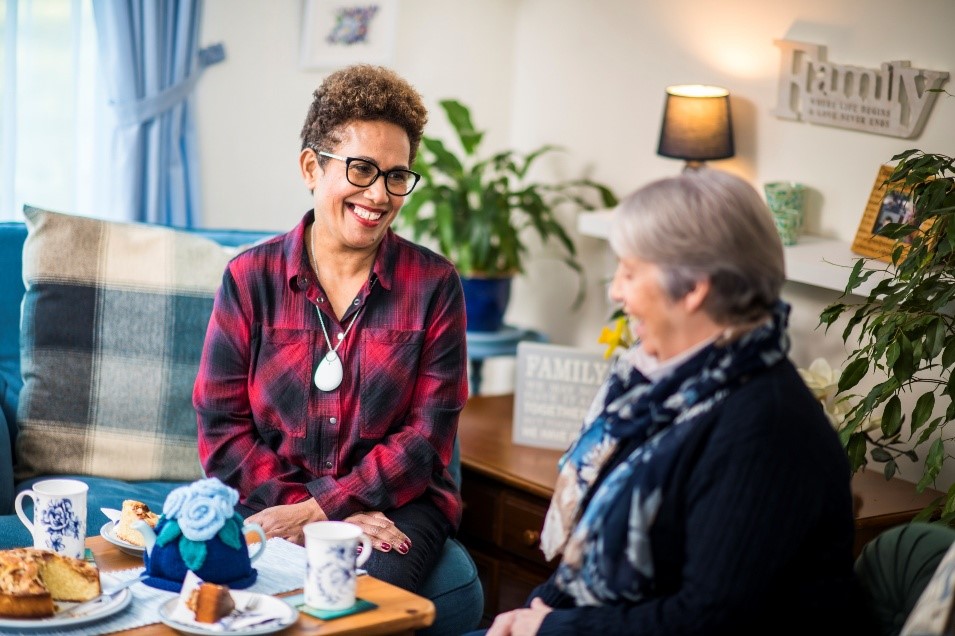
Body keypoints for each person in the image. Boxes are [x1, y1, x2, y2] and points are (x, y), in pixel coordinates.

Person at [476, 169, 871, 634]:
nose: (616, 291)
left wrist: (551, 628)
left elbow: (708, 621)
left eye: (629, 272)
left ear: (694, 288)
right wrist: (532, 613)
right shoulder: (665, 393)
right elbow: (590, 554)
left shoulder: (769, 429)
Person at [193, 64, 468, 593]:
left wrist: (323, 510)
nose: (381, 195)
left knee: (352, 598)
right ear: (311, 168)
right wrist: (302, 509)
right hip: (266, 495)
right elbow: (222, 427)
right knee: (211, 587)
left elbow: (427, 438)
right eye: (362, 169)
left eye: (396, 176)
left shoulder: (435, 284)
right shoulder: (250, 278)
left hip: (398, 504)